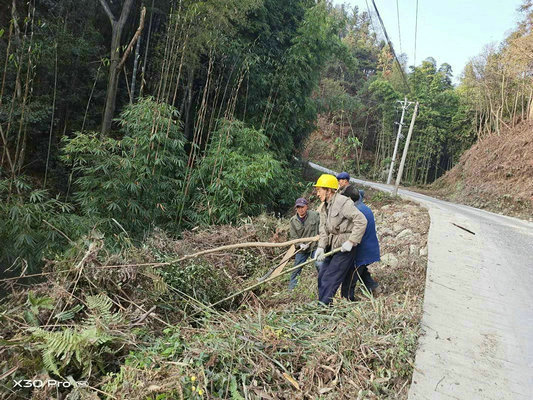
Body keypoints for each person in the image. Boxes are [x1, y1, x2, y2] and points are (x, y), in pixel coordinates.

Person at [314, 174, 368, 305]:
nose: (317, 194)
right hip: (331, 246)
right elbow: (323, 229)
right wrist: (321, 247)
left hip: (344, 248)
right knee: (322, 276)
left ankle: (323, 306)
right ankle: (323, 304)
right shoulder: (324, 207)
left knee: (330, 278)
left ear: (328, 190)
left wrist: (351, 241)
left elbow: (361, 221)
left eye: (319, 190)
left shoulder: (343, 202)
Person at [341, 201, 381, 300]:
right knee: (360, 270)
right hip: (369, 247)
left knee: (351, 275)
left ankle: (348, 298)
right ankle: (373, 286)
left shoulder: (356, 211)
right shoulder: (364, 208)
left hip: (361, 250)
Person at [288, 197, 322, 290]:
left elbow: (322, 227)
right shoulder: (293, 221)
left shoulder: (315, 215)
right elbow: (293, 237)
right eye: (298, 207)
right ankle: (291, 290)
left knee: (320, 265)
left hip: (314, 246)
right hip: (302, 249)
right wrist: (300, 245)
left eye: (302, 207)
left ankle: (323, 285)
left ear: (306, 206)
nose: (300, 209)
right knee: (296, 269)